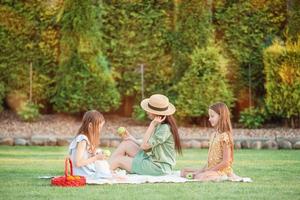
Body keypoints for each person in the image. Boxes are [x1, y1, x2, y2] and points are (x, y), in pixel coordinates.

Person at [109, 94, 182, 176]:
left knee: (119, 160)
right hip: (152, 160)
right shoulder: (160, 125)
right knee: (126, 144)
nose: (147, 112)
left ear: (155, 112)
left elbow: (144, 146)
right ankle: (107, 167)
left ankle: (104, 171)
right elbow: (147, 145)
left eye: (148, 109)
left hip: (159, 167)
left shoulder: (164, 128)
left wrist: (152, 124)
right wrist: (131, 138)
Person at [181, 102, 238, 181]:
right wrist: (200, 171)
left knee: (200, 177)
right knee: (184, 171)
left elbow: (226, 162)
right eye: (209, 116)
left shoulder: (225, 136)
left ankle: (225, 176)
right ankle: (204, 174)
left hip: (221, 170)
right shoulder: (213, 135)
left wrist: (206, 171)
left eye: (212, 116)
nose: (209, 119)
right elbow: (209, 161)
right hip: (211, 169)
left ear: (221, 117)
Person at [68, 110, 108, 178]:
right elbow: (78, 163)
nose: (100, 130)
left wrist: (96, 155)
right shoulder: (82, 140)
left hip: (86, 172)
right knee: (110, 176)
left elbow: (86, 157)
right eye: (99, 127)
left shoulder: (86, 138)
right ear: (90, 125)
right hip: (83, 174)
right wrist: (96, 157)